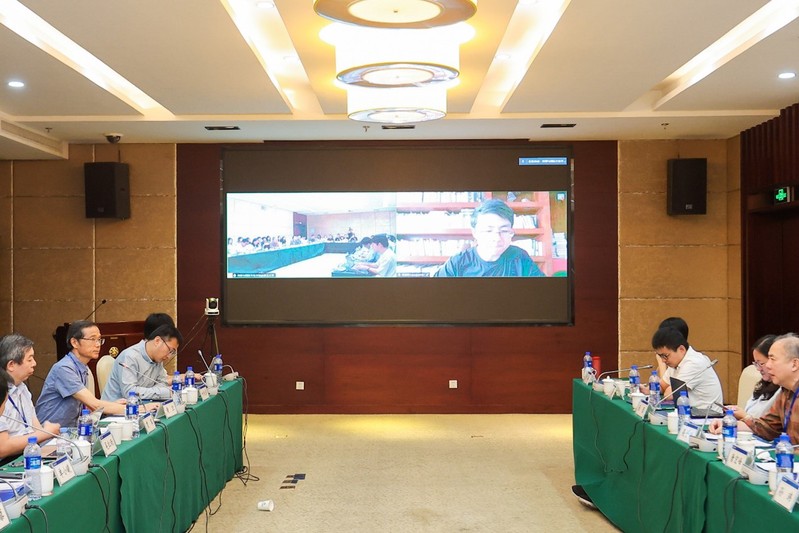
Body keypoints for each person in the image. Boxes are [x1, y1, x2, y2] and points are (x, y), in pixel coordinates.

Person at [35, 320, 128, 427]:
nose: (98, 344)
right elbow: (94, 404)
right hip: (50, 432)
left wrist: (113, 405)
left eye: (99, 339)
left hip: (71, 430)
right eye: (92, 339)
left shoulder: (82, 367)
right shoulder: (64, 368)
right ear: (74, 342)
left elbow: (89, 407)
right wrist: (134, 409)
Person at [710, 333, 799, 443]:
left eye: (773, 359)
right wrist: (730, 424)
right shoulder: (786, 391)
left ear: (794, 364)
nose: (768, 365)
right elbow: (766, 427)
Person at [434, 199, 545, 277]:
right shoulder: (457, 263)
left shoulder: (520, 258)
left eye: (504, 231)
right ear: (475, 233)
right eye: (488, 230)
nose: (497, 238)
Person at [0, 334, 60, 458]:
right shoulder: (2, 392)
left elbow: (36, 430)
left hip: (29, 453)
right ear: (11, 365)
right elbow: (3, 448)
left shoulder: (23, 388)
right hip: (7, 461)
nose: (34, 363)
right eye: (29, 359)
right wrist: (46, 432)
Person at [640, 326, 723, 411]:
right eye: (660, 356)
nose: (663, 360)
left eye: (665, 356)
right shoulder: (676, 361)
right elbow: (662, 386)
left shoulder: (694, 363)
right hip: (690, 413)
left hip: (707, 416)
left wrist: (664, 389)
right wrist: (646, 390)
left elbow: (669, 395)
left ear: (681, 349)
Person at [101, 324, 183, 401]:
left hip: (142, 404)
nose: (169, 356)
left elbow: (162, 383)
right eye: (170, 350)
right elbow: (129, 392)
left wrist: (156, 392)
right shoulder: (130, 356)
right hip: (117, 408)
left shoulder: (158, 358)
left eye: (172, 353)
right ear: (157, 341)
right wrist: (164, 393)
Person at [728, 335, 779, 420]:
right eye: (756, 364)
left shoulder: (784, 389)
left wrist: (745, 416)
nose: (758, 369)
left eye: (761, 364)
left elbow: (767, 424)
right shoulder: (762, 385)